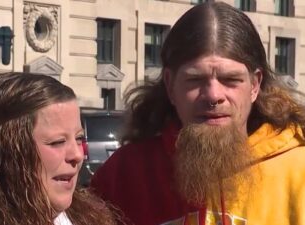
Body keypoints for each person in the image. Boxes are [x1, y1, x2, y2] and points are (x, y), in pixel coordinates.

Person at [90, 2, 305, 225]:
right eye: (195, 80)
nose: (213, 95)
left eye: (230, 79)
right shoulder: (123, 175)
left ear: (254, 85)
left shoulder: (298, 173)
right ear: (170, 85)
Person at [0, 72, 121, 225]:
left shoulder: (89, 216)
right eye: (57, 142)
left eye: (79, 138)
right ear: (6, 151)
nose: (77, 155)